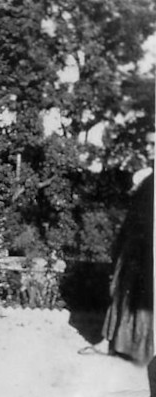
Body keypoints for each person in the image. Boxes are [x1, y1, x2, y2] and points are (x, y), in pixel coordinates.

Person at [79, 131, 154, 365]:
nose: (149, 149)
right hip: (135, 248)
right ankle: (112, 342)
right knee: (123, 291)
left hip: (147, 250)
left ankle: (138, 348)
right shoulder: (147, 183)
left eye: (154, 144)